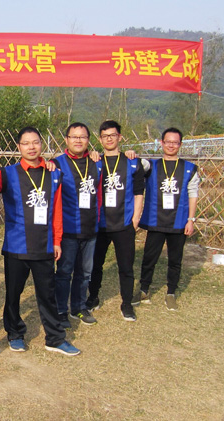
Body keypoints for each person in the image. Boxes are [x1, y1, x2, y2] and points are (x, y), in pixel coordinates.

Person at [0, 126, 81, 356]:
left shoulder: (54, 173)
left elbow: (57, 210)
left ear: (41, 144)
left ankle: (54, 338)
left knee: (48, 294)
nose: (31, 147)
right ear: (18, 147)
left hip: (44, 245)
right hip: (16, 246)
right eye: (26, 143)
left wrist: (57, 240)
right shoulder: (7, 173)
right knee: (13, 294)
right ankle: (15, 333)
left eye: (35, 142)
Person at [133, 128, 199, 311]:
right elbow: (135, 164)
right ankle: (144, 289)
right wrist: (132, 154)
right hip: (156, 221)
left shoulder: (189, 168)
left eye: (175, 142)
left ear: (180, 144)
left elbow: (193, 195)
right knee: (149, 258)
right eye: (168, 141)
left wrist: (191, 219)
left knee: (175, 260)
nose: (171, 145)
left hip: (179, 221)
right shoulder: (151, 165)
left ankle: (171, 292)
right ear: (161, 143)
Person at [86, 121, 144, 322]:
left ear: (119, 137)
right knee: (95, 265)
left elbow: (138, 192)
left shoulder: (132, 162)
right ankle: (93, 297)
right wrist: (90, 154)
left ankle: (126, 303)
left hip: (124, 224)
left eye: (112, 135)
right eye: (105, 136)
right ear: (100, 139)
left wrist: (135, 219)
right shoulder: (94, 161)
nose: (109, 139)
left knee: (126, 267)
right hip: (99, 224)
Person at [53, 123, 103, 328]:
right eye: (74, 137)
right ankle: (60, 310)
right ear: (66, 139)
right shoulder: (56, 164)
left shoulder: (97, 162)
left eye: (82, 137)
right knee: (64, 272)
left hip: (90, 228)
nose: (78, 140)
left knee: (85, 272)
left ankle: (79, 307)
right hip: (68, 229)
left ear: (89, 140)